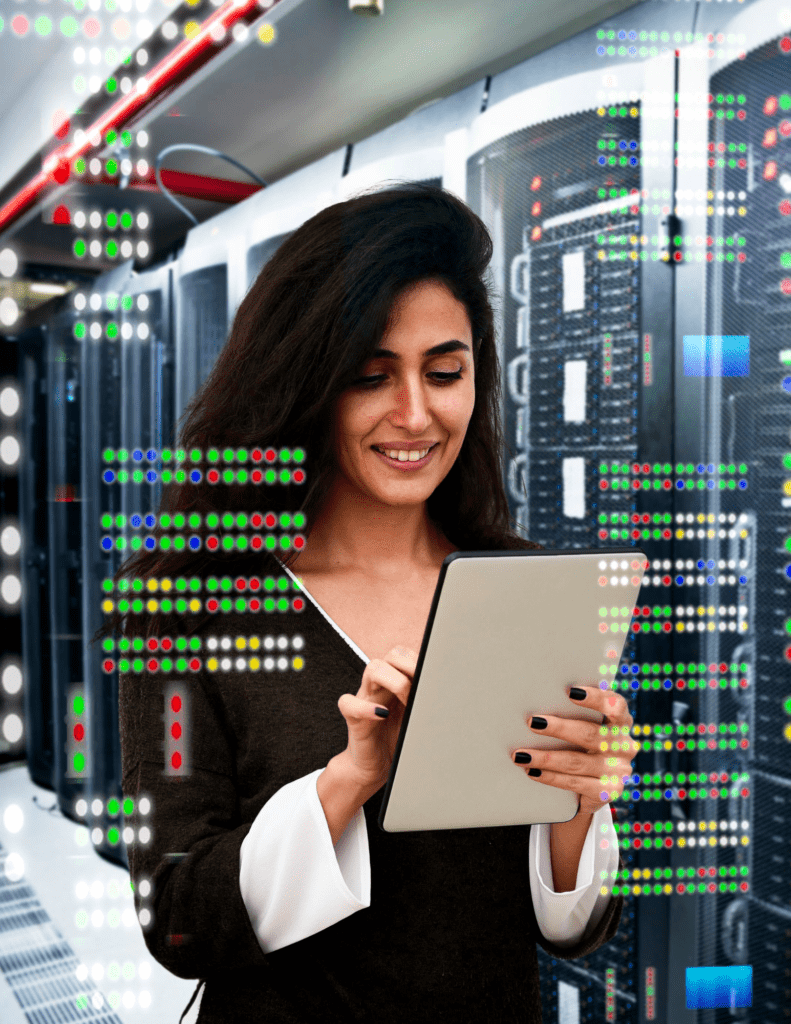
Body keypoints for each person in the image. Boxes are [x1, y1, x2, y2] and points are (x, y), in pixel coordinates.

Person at [92, 181, 637, 1023]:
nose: (415, 414)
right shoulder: (184, 606)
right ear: (307, 382)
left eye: (444, 372)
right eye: (370, 376)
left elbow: (569, 930)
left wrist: (579, 803)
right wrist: (349, 780)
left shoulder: (524, 588)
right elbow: (177, 919)